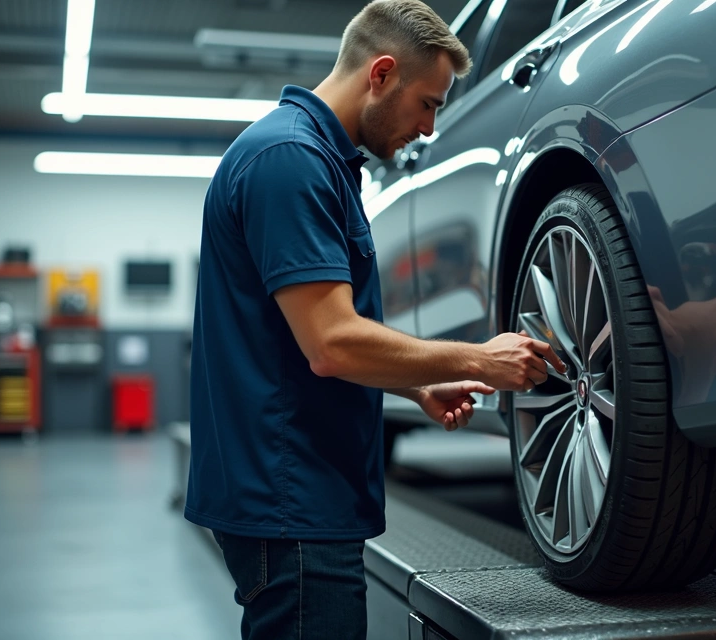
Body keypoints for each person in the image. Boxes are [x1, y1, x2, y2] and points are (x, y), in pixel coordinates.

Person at [186, 1, 566, 638]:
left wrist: (416, 384)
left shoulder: (319, 161)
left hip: (301, 492)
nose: (428, 129)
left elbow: (309, 341)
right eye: (429, 103)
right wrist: (477, 358)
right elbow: (331, 344)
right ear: (382, 73)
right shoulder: (291, 160)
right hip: (292, 500)